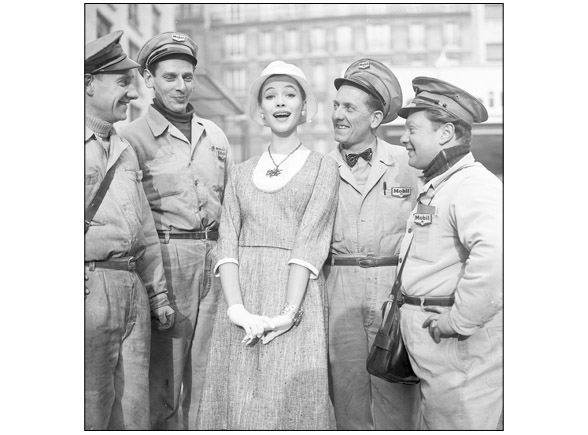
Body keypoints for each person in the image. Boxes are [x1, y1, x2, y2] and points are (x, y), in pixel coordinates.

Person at [196, 61, 339, 430]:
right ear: (260, 110)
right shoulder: (241, 172)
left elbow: (310, 243)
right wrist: (236, 310)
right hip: (241, 297)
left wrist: (287, 314)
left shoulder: (323, 167)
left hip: (295, 297)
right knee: (239, 400)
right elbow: (226, 242)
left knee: (292, 403)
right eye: (270, 95)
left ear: (304, 108)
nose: (280, 102)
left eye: (290, 95)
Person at [119, 32, 233, 430]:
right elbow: (133, 218)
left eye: (187, 77)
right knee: (163, 383)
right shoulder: (129, 139)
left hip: (214, 261)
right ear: (148, 79)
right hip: (167, 262)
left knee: (209, 376)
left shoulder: (214, 135)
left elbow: (230, 204)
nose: (180, 86)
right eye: (169, 77)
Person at [396, 76, 503, 429]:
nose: (403, 138)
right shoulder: (443, 184)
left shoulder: (474, 185)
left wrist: (458, 322)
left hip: (457, 349)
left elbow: (495, 257)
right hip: (440, 353)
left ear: (445, 134)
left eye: (413, 129)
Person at [84, 30, 175, 430]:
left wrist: (157, 296)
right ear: (88, 85)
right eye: (123, 83)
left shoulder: (123, 147)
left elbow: (146, 233)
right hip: (90, 288)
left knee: (135, 413)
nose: (133, 95)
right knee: (89, 407)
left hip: (132, 288)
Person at [324, 58, 421, 430]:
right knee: (347, 401)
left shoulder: (406, 163)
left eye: (349, 107)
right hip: (339, 297)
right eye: (336, 105)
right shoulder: (318, 167)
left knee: (397, 401)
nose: (338, 114)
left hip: (393, 296)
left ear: (376, 118)